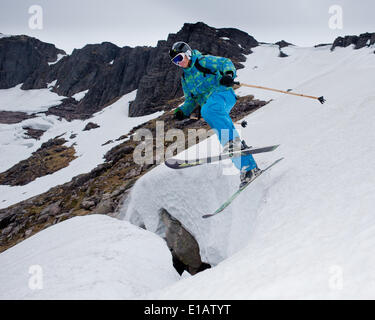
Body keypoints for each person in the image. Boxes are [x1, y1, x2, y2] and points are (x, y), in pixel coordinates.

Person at [169, 41, 260, 188]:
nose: (178, 63)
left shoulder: (202, 61)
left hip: (223, 93)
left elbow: (225, 62)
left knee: (208, 111)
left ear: (187, 54)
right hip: (211, 104)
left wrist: (228, 75)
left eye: (179, 58)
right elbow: (190, 99)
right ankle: (248, 168)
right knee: (222, 131)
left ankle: (233, 145)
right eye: (175, 61)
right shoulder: (185, 78)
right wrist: (182, 111)